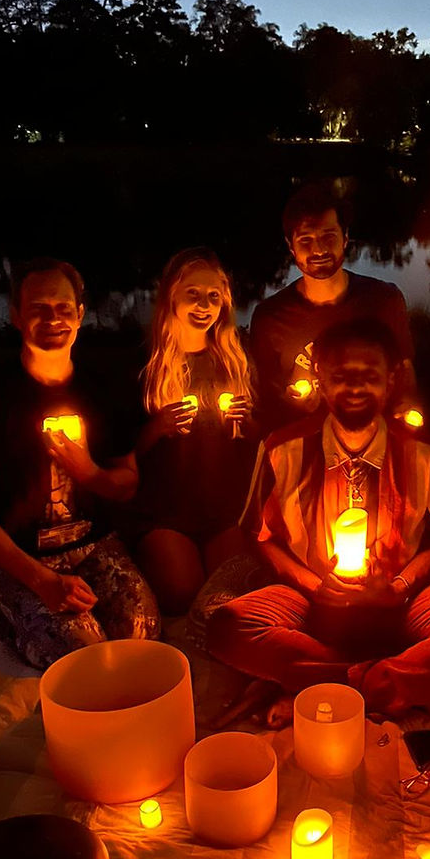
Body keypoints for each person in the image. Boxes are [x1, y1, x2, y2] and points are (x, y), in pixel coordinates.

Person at [208, 317, 430, 720]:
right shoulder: (281, 450)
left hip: (401, 600)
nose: (355, 386)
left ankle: (318, 684)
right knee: (227, 627)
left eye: (368, 375)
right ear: (319, 378)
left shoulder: (425, 452)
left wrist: (400, 586)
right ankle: (391, 686)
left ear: (390, 381)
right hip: (309, 598)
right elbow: (259, 536)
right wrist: (313, 584)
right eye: (341, 375)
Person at [0, 257, 159, 669]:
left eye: (64, 308)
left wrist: (90, 474)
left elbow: (127, 483)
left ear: (80, 314)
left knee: (142, 633)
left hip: (93, 544)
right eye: (39, 308)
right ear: (16, 316)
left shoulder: (102, 391)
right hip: (18, 554)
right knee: (82, 655)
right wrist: (42, 582)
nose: (54, 318)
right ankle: (5, 615)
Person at [124, 250, 257, 615]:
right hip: (164, 512)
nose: (204, 305)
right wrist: (158, 427)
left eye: (214, 296)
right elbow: (122, 452)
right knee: (182, 593)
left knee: (227, 597)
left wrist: (245, 422)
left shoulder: (235, 359)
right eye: (193, 294)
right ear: (172, 296)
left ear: (225, 303)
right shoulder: (146, 365)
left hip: (221, 509)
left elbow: (257, 444)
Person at [250, 183, 418, 430]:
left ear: (346, 238)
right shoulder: (270, 318)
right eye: (306, 239)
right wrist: (289, 405)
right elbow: (265, 397)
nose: (318, 249)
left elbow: (403, 369)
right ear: (290, 246)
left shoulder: (383, 301)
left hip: (376, 442)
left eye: (329, 236)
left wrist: (408, 406)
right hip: (305, 449)